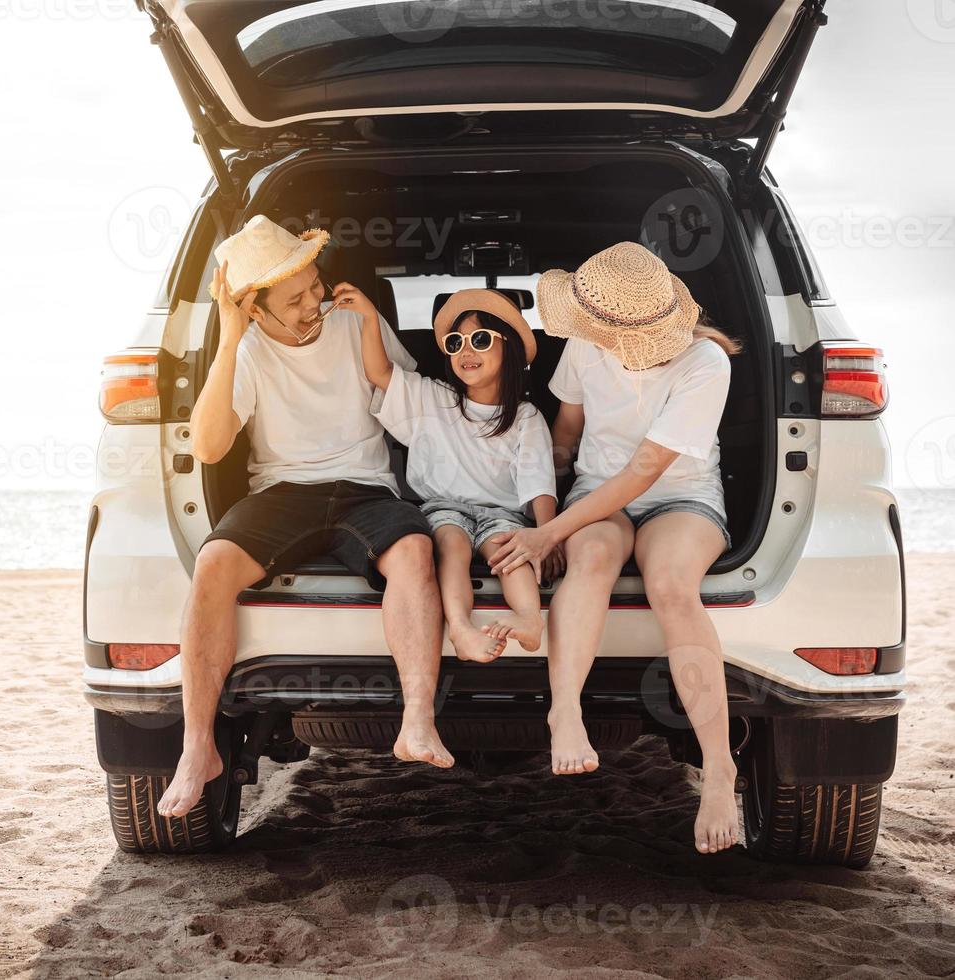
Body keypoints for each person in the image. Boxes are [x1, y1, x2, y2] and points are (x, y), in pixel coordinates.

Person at [156, 215, 454, 820]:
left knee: (415, 554)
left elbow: (409, 409)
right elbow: (209, 448)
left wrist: (370, 324)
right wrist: (230, 337)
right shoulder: (245, 346)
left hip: (366, 488)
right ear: (254, 308)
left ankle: (416, 722)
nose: (315, 301)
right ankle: (197, 750)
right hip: (282, 491)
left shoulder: (351, 323)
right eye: (294, 299)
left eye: (315, 285)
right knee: (212, 564)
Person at [488, 241, 742, 854]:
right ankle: (565, 712)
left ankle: (719, 769)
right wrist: (541, 504)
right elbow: (567, 433)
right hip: (599, 489)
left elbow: (648, 469)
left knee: (672, 587)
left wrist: (549, 532)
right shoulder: (586, 343)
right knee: (594, 556)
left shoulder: (706, 362)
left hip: (679, 495)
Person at [338, 284, 558, 662]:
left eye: (480, 339)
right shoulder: (433, 398)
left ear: (511, 350)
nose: (466, 351)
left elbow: (539, 483)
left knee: (511, 554)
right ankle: (460, 626)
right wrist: (370, 317)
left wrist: (545, 535)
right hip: (444, 508)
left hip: (502, 515)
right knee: (451, 546)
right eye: (456, 343)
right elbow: (378, 371)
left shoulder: (526, 417)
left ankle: (530, 620)